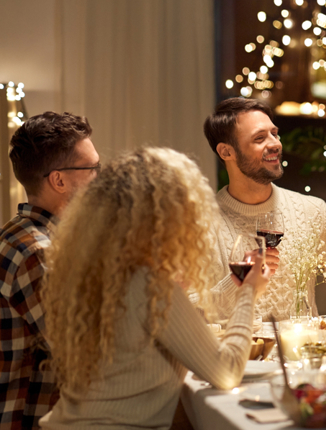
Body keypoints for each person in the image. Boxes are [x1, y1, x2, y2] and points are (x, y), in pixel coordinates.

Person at [39, 148, 269, 429]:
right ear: (165, 217)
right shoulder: (149, 284)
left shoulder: (96, 276)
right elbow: (226, 371)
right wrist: (248, 292)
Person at [203, 98, 326, 321]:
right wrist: (236, 281)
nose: (275, 144)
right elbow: (183, 309)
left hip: (303, 356)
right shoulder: (199, 223)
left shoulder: (312, 211)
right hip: (238, 356)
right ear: (226, 152)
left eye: (274, 133)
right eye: (260, 138)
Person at [1, 112, 100, 430]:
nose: (101, 179)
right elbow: (91, 354)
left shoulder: (20, 233)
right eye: (92, 169)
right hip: (35, 420)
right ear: (58, 180)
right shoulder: (40, 253)